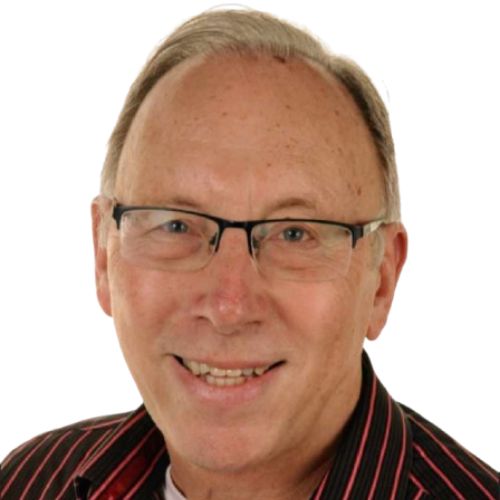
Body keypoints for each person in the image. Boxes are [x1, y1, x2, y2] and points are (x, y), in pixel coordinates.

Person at [0, 8, 497, 500]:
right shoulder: (27, 484)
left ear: (382, 281)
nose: (229, 307)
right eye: (176, 225)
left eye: (294, 234)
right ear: (104, 256)